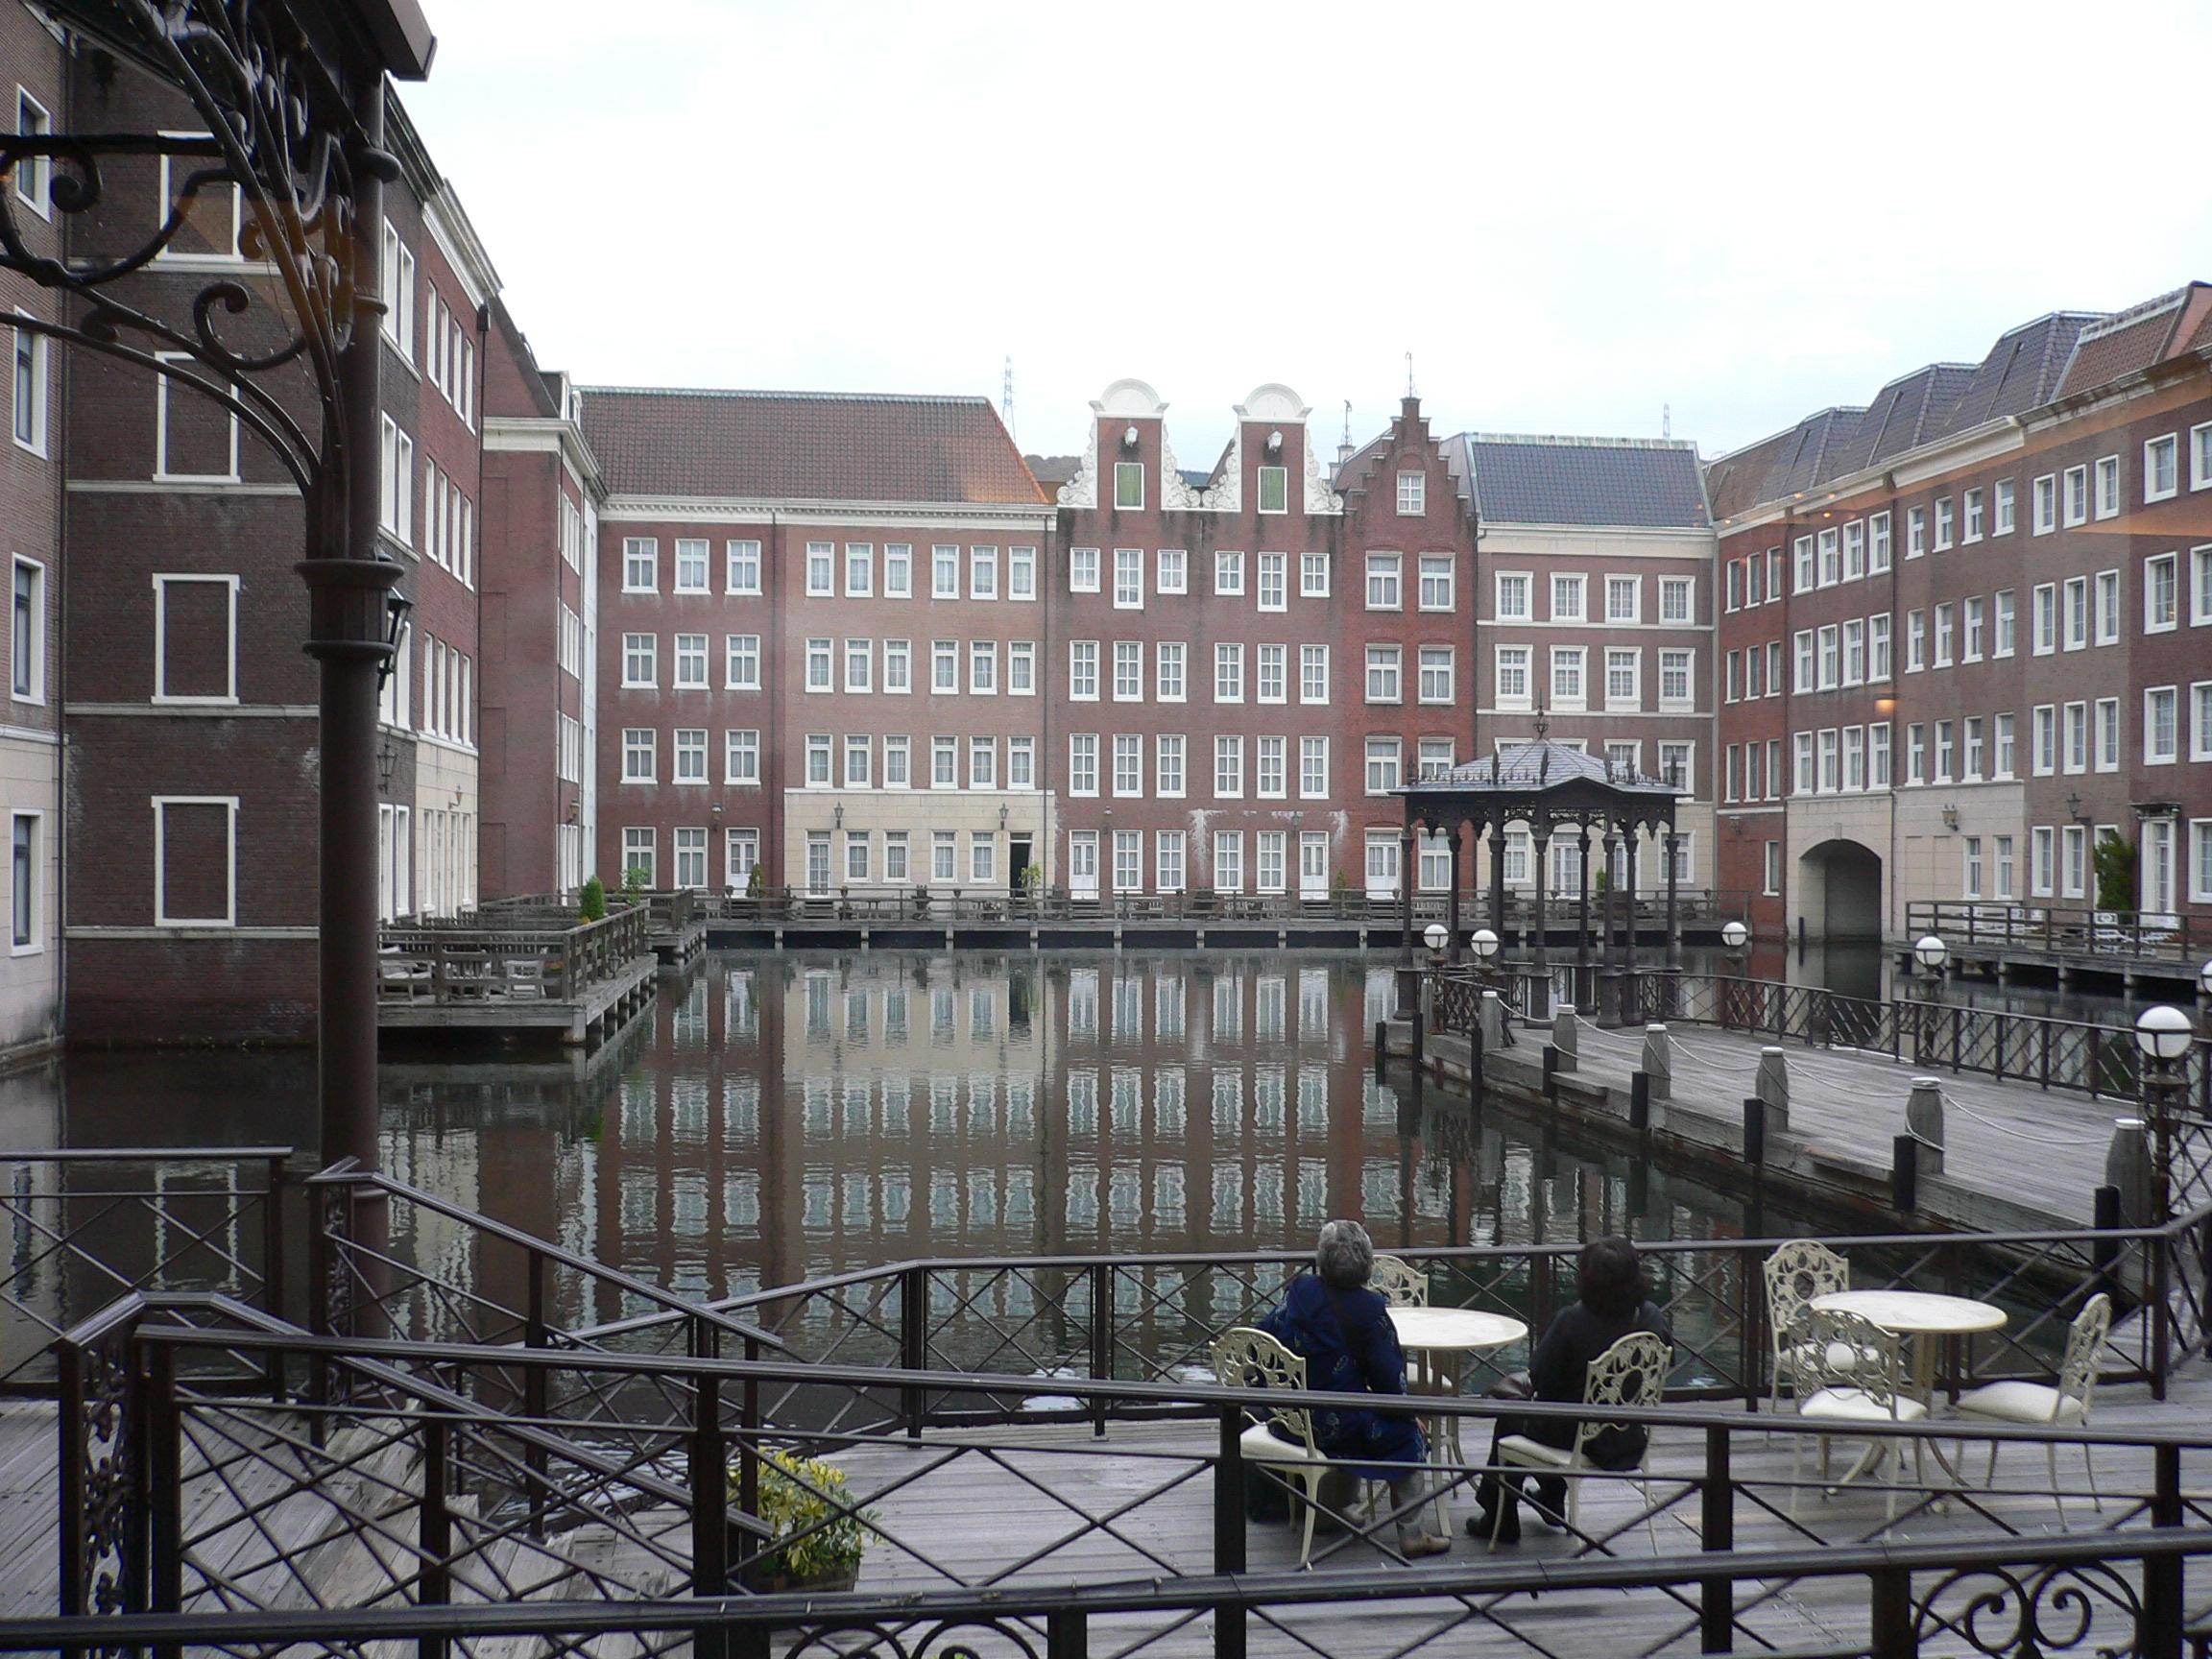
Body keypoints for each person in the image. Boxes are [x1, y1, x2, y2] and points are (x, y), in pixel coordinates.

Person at [1259, 1219, 1452, 1558]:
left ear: (1322, 1258)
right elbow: (1388, 1378)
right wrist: (1408, 1416)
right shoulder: (1369, 1308)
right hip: (1335, 1427)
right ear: (1366, 1262)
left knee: (1354, 1411)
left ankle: (1330, 1511)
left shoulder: (1301, 1291)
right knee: (1406, 1436)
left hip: (1290, 1420)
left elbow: (1264, 1336)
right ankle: (1412, 1534)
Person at [1466, 1235, 1672, 1545]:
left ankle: (1501, 1516)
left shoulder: (1572, 1320)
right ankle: (1550, 1498)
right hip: (1628, 1435)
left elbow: (1540, 1377)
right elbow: (1665, 1364)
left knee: (1512, 1417)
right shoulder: (1651, 1316)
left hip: (1580, 1438)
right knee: (1543, 1418)